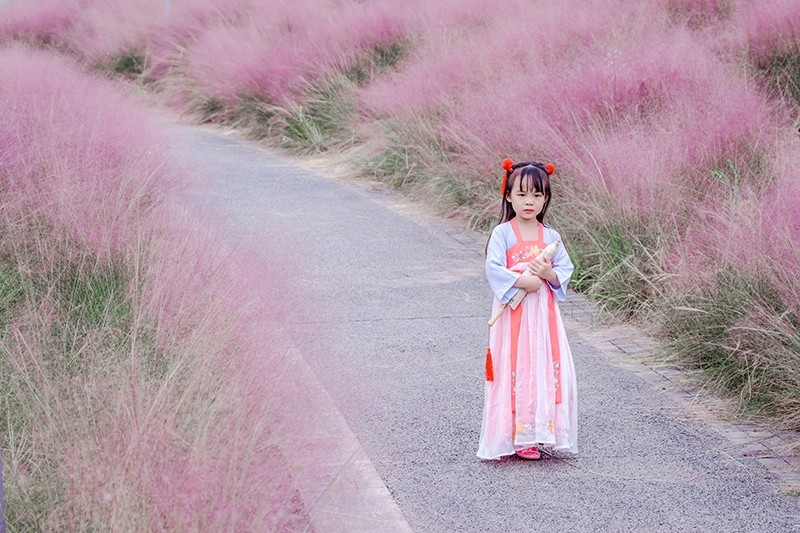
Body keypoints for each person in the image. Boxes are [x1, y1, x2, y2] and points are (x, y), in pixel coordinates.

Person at [477, 158, 578, 460]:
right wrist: (523, 280)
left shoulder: (551, 236)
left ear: (546, 198)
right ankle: (516, 435)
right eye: (521, 194)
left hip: (543, 317)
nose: (529, 202)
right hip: (514, 314)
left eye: (537, 195)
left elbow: (564, 269)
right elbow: (494, 268)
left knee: (542, 366)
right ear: (508, 195)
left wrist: (547, 276)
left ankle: (539, 430)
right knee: (515, 366)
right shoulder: (502, 233)